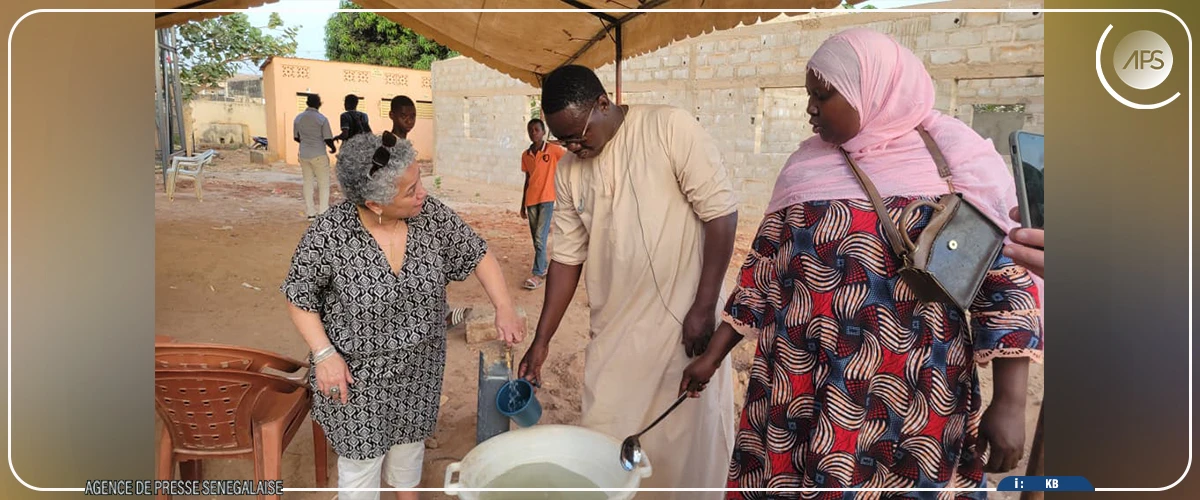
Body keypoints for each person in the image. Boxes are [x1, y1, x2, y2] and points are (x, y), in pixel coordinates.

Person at [679, 28, 1044, 497]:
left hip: (912, 395)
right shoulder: (803, 169)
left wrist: (1011, 402)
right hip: (797, 387)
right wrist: (713, 356)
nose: (811, 108)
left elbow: (1005, 282)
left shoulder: (955, 162)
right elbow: (762, 275)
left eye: (823, 95)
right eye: (810, 95)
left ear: (870, 89)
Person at [517, 65, 739, 498]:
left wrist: (702, 306)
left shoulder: (668, 127)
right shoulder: (568, 171)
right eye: (564, 141)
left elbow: (721, 213)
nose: (574, 147)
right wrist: (542, 339)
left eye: (578, 135)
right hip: (615, 330)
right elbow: (565, 259)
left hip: (683, 328)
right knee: (605, 432)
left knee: (682, 445)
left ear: (603, 104)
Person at [281, 133, 524, 499]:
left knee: (409, 446)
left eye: (420, 180)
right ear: (374, 203)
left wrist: (504, 306)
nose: (422, 193)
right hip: (356, 371)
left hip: (420, 367)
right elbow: (299, 295)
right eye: (410, 190)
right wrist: (324, 354)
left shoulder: (431, 216)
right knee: (361, 466)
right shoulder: (329, 235)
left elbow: (477, 253)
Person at [518, 118, 566, 290]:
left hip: (546, 199)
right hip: (531, 201)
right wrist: (522, 204)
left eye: (536, 130)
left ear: (543, 132)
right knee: (536, 238)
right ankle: (543, 266)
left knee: (540, 237)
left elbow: (569, 158)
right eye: (530, 130)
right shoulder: (526, 154)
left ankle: (538, 273)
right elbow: (527, 179)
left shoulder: (552, 150)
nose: (533, 133)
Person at [293, 94, 336, 221]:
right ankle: (323, 212)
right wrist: (332, 148)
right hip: (319, 154)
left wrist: (307, 141)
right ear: (319, 104)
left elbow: (296, 137)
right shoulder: (322, 119)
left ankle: (310, 213)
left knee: (308, 183)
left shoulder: (298, 118)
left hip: (304, 154)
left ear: (307, 103)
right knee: (323, 184)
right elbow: (327, 138)